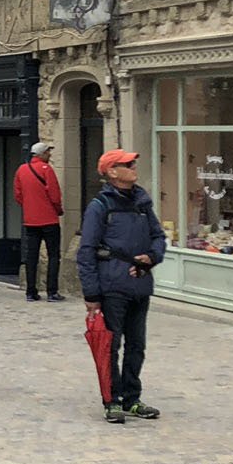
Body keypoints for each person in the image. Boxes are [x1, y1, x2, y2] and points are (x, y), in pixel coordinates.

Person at [78, 150, 168, 424]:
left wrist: (151, 258)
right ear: (112, 172)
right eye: (127, 164)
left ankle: (132, 397)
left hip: (139, 284)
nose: (133, 167)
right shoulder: (100, 207)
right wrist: (91, 294)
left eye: (133, 163)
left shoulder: (142, 203)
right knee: (111, 345)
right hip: (112, 284)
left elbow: (158, 236)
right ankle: (112, 399)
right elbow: (87, 251)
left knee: (137, 345)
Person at [15, 140, 66, 302]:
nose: (49, 155)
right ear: (41, 154)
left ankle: (31, 291)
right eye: (47, 152)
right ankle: (52, 291)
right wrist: (58, 209)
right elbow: (54, 194)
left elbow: (18, 195)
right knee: (53, 256)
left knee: (31, 257)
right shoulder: (46, 170)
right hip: (49, 218)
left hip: (30, 220)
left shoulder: (22, 170)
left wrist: (29, 206)